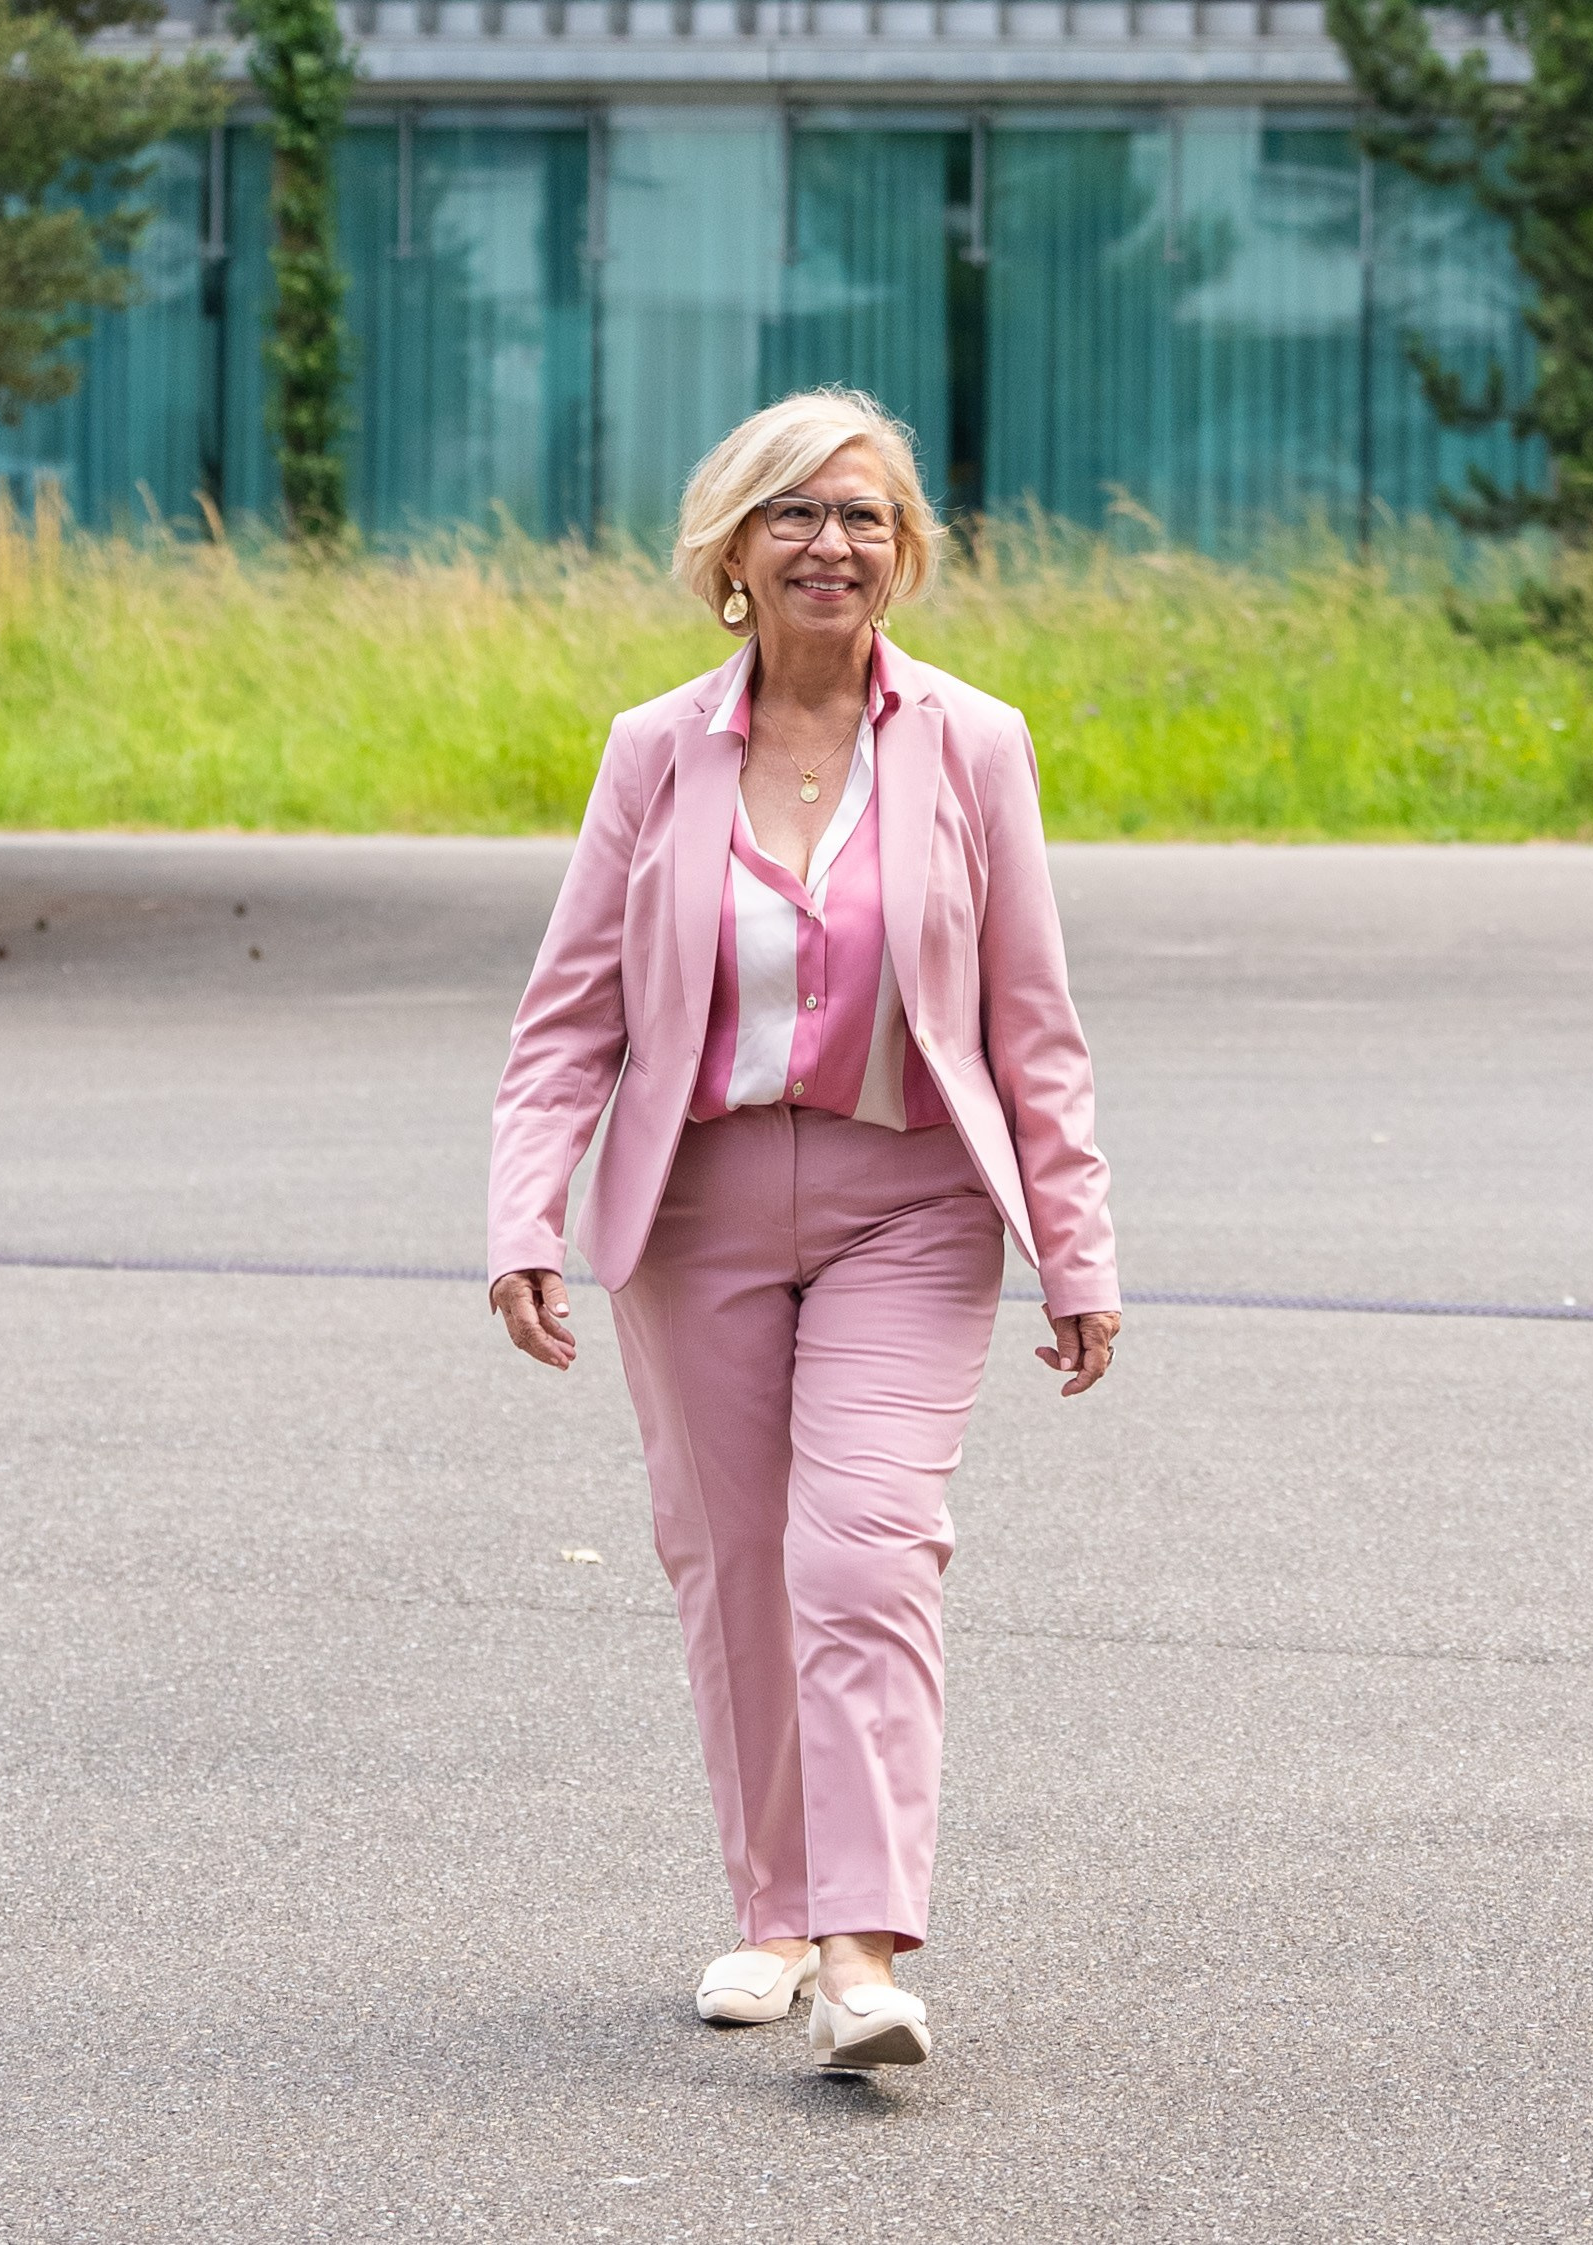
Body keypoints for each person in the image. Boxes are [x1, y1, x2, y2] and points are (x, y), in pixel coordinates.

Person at [487, 387, 1120, 2075]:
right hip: (691, 1209)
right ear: (734, 555)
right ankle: (769, 1905)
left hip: (904, 1199)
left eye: (860, 516)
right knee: (729, 1564)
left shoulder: (974, 743)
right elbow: (571, 1014)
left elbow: (1030, 1019)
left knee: (866, 1549)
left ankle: (861, 1951)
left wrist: (1077, 1242)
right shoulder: (653, 748)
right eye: (794, 515)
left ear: (901, 550)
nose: (828, 543)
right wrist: (521, 1214)